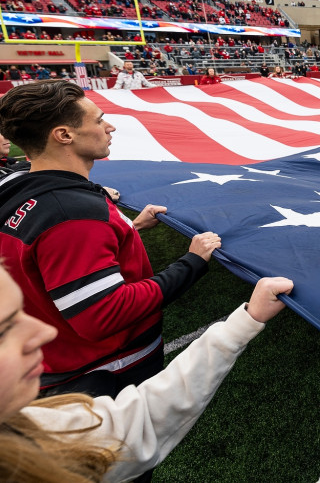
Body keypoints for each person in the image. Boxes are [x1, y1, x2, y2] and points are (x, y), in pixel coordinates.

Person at [0, 267, 320, 482]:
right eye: (5, 328)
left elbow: (137, 419)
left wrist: (245, 321)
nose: (44, 330)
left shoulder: (25, 432)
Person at [0, 81, 221, 397]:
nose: (110, 126)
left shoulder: (18, 183)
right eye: (99, 120)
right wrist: (192, 262)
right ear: (65, 135)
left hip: (54, 357)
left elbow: (48, 256)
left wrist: (130, 228)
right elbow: (104, 314)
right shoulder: (73, 213)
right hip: (104, 371)